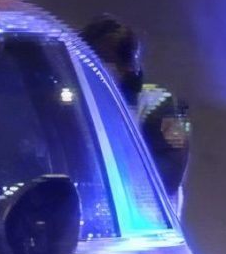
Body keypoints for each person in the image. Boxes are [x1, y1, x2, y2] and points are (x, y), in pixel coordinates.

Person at [81, 15, 192, 204]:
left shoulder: (158, 105)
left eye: (103, 60)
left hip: (143, 214)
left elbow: (169, 176)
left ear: (127, 66)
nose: (91, 69)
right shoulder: (78, 102)